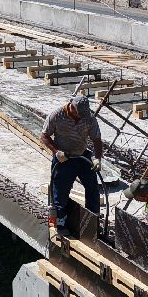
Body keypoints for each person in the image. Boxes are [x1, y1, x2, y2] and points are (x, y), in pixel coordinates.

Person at [41, 94, 104, 235]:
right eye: (78, 113)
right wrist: (57, 152)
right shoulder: (57, 115)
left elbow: (97, 139)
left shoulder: (89, 118)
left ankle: (92, 222)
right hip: (64, 158)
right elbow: (44, 136)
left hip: (82, 155)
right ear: (71, 106)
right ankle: (61, 224)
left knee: (93, 189)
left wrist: (98, 158)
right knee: (61, 192)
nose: (80, 116)